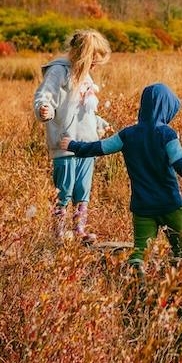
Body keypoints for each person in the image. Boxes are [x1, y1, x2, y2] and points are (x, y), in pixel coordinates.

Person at [60, 82, 182, 270]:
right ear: (165, 108)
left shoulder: (127, 135)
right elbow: (181, 166)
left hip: (142, 207)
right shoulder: (167, 134)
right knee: (181, 253)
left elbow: (100, 148)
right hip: (170, 205)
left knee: (140, 252)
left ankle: (138, 282)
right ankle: (179, 290)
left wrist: (73, 146)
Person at [34, 29, 113, 241]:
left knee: (83, 190)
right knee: (64, 190)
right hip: (65, 144)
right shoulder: (59, 72)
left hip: (87, 144)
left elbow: (84, 110)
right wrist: (44, 109)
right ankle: (59, 233)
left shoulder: (86, 75)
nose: (95, 66)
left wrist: (98, 122)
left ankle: (79, 230)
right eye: (93, 61)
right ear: (83, 56)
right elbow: (44, 95)